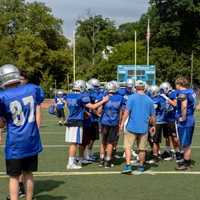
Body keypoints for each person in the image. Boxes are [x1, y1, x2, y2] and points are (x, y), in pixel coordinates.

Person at [0, 64, 44, 200]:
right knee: (28, 174)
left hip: (15, 143)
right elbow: (38, 103)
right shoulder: (32, 89)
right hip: (31, 139)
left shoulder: (2, 96)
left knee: (14, 177)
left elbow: (1, 123)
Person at [64, 80, 108, 169]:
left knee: (73, 143)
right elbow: (93, 107)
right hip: (76, 121)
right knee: (74, 143)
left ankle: (73, 161)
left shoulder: (68, 95)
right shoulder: (81, 96)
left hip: (70, 121)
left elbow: (69, 107)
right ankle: (70, 163)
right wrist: (103, 101)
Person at [120, 80, 156, 174]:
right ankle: (141, 166)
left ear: (135, 87)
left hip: (131, 126)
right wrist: (153, 126)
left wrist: (122, 123)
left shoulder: (131, 98)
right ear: (144, 88)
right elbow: (153, 117)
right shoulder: (149, 100)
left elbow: (126, 112)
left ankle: (128, 165)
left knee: (128, 147)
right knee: (142, 148)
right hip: (143, 128)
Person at [98, 81, 124, 168]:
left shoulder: (103, 96)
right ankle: (107, 161)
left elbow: (99, 111)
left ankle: (101, 160)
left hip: (104, 122)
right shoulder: (120, 97)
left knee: (103, 141)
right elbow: (120, 112)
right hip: (114, 122)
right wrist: (120, 122)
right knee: (110, 142)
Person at [174, 77, 196, 170]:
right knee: (187, 143)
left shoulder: (183, 93)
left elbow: (184, 106)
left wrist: (182, 117)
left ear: (179, 84)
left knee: (185, 143)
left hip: (186, 121)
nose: (176, 87)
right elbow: (194, 104)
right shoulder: (191, 91)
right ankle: (187, 160)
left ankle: (186, 164)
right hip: (190, 118)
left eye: (176, 84)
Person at [148, 85, 166, 164]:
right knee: (152, 139)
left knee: (155, 140)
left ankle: (155, 157)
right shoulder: (160, 98)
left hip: (157, 122)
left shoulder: (158, 99)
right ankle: (157, 153)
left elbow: (155, 109)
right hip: (157, 121)